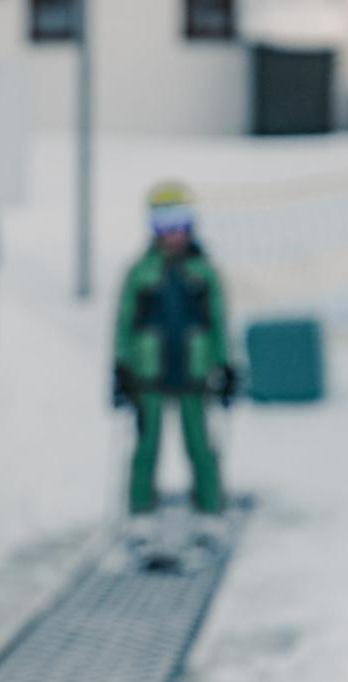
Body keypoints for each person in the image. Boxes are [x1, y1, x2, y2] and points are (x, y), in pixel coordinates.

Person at [113, 181, 235, 520]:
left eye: (179, 223)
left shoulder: (203, 273)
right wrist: (121, 367)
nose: (172, 234)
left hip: (192, 372)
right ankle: (140, 507)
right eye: (164, 224)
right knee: (146, 444)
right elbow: (125, 323)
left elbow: (219, 323)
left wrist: (225, 366)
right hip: (149, 372)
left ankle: (210, 504)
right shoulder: (141, 273)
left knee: (198, 442)